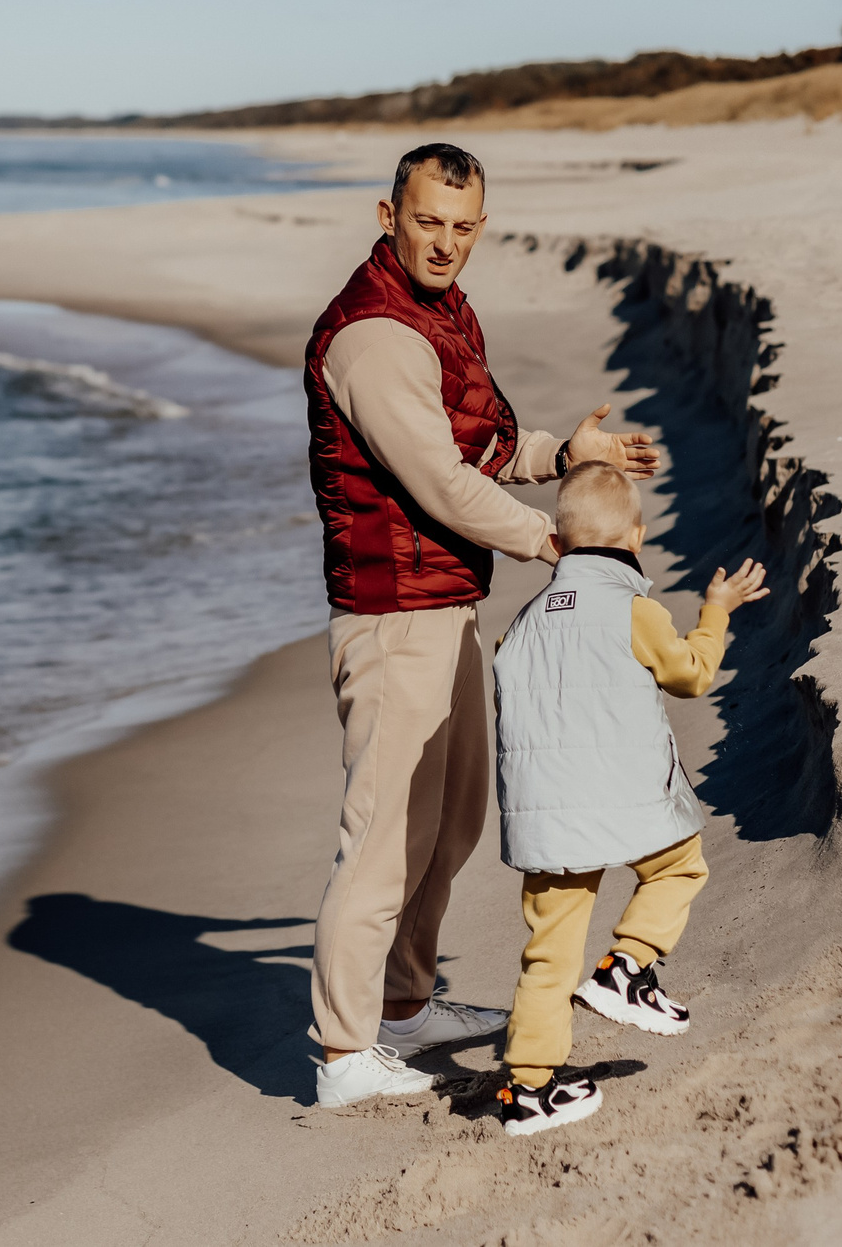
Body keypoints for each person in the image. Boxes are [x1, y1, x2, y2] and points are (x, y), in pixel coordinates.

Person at [305, 142, 660, 1110]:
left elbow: (479, 441)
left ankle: (404, 1007)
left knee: (450, 821)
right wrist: (560, 546)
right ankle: (343, 1055)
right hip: (390, 615)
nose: (445, 243)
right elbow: (438, 482)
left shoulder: (440, 311)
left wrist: (562, 453)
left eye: (462, 228)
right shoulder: (375, 336)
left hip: (442, 603)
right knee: (382, 839)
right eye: (427, 222)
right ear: (388, 216)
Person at [487, 461, 769, 1136]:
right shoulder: (634, 608)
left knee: (550, 952)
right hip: (621, 796)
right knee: (678, 864)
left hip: (544, 814)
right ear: (637, 536)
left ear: (558, 538)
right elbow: (690, 676)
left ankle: (528, 1090)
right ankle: (630, 965)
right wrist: (715, 612)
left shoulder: (524, 622)